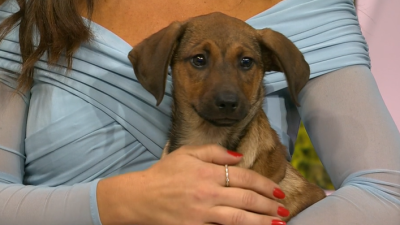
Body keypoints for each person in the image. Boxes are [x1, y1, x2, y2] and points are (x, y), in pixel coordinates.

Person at [0, 0, 399, 224]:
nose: (225, 92)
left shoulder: (314, 10)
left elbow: (388, 193)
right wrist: (117, 202)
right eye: (199, 61)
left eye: (246, 65)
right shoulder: (33, 10)